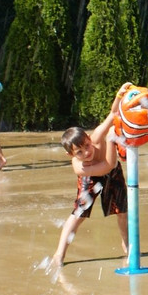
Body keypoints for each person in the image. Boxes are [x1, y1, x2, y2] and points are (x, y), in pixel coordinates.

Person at [51, 93, 127, 269]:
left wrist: (118, 95)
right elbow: (108, 165)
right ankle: (59, 253)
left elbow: (113, 113)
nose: (86, 152)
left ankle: (126, 244)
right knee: (79, 215)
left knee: (121, 210)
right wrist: (111, 141)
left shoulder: (98, 137)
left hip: (112, 169)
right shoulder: (80, 168)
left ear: (89, 138)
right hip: (94, 175)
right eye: (79, 152)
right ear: (70, 155)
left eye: (87, 145)